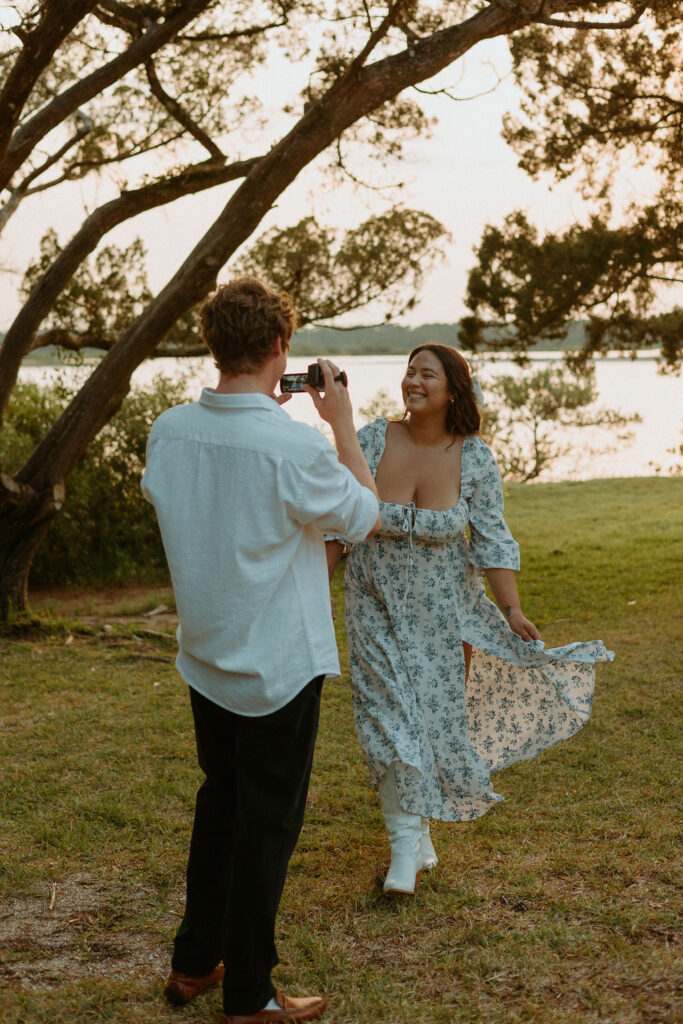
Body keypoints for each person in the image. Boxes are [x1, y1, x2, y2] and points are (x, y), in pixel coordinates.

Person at [141, 277, 380, 1024]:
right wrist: (341, 424)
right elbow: (364, 513)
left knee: (220, 805)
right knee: (265, 827)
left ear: (214, 345)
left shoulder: (169, 429)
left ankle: (193, 963)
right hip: (277, 666)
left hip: (207, 658)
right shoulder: (295, 446)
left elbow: (209, 507)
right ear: (280, 347)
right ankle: (250, 993)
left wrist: (260, 417)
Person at [325, 344, 613, 896]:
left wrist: (511, 609)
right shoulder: (372, 441)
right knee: (387, 721)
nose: (412, 381)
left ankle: (418, 831)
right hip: (373, 605)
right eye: (408, 371)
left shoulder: (474, 456)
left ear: (452, 389)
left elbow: (491, 537)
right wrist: (313, 593)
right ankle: (403, 851)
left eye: (425, 374)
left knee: (429, 724)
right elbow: (340, 524)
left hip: (445, 614)